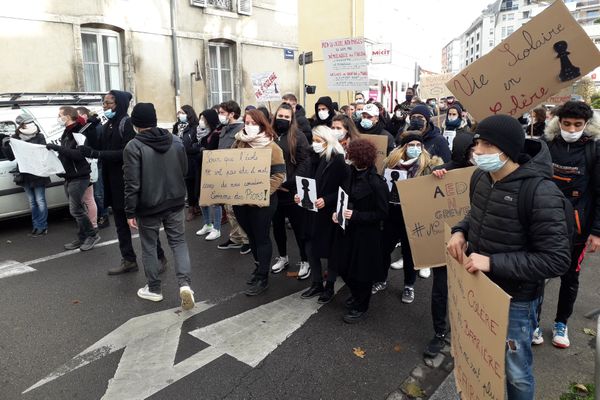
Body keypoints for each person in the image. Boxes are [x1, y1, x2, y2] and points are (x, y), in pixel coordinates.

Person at [448, 114, 571, 399]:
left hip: (517, 301)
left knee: (516, 372)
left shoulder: (540, 192)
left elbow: (556, 260)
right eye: (477, 142)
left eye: (488, 145)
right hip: (480, 289)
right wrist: (460, 231)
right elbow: (476, 214)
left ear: (509, 149)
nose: (478, 151)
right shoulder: (480, 176)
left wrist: (493, 263)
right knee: (481, 360)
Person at [79, 90, 168, 275]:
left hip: (128, 182)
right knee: (120, 224)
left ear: (118, 104)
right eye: (103, 103)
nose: (105, 107)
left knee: (143, 222)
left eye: (109, 103)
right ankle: (128, 260)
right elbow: (98, 146)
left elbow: (126, 152)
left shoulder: (126, 123)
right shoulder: (107, 124)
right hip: (112, 182)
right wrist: (90, 128)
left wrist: (97, 154)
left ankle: (159, 257)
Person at [537, 101, 600, 348]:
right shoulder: (546, 145)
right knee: (536, 274)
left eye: (577, 125)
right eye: (566, 124)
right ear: (558, 122)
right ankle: (533, 322)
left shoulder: (594, 150)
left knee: (570, 277)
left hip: (578, 227)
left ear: (586, 125)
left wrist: (596, 232)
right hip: (544, 222)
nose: (571, 129)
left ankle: (561, 323)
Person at [122, 103, 195, 310]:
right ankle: (185, 285)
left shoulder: (133, 146)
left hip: (149, 205)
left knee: (149, 246)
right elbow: (184, 170)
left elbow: (132, 183)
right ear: (154, 120)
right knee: (179, 243)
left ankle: (154, 288)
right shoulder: (176, 140)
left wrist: (130, 210)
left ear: (135, 124)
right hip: (175, 201)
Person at [374, 132, 443, 302]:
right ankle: (380, 279)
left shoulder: (428, 165)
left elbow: (435, 187)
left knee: (409, 251)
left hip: (413, 215)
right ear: (403, 147)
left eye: (418, 145)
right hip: (391, 213)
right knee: (383, 248)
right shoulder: (390, 163)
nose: (414, 148)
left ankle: (408, 286)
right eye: (411, 145)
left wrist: (438, 174)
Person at [424, 131, 475, 358]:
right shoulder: (447, 170)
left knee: (471, 291)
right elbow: (425, 193)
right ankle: (439, 332)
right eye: (473, 150)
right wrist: (436, 174)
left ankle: (469, 332)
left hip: (476, 244)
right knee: (440, 289)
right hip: (445, 240)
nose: (478, 154)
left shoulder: (489, 174)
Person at [329, 139, 389, 323]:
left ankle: (361, 305)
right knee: (344, 268)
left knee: (361, 273)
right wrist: (337, 213)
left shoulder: (376, 182)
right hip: (346, 231)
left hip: (365, 235)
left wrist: (355, 215)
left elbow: (382, 213)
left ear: (359, 158)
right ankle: (356, 295)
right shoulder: (350, 175)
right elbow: (342, 198)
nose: (348, 158)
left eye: (351, 155)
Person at [232, 109, 286, 296]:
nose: (249, 126)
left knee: (261, 236)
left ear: (262, 125)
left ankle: (263, 276)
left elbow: (279, 175)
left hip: (263, 203)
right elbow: (229, 167)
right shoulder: (238, 143)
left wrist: (261, 193)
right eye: (247, 122)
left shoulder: (273, 148)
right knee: (251, 236)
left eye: (254, 123)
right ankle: (258, 266)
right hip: (240, 200)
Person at [296, 125, 349, 303]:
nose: (315, 144)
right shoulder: (312, 158)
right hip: (311, 211)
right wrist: (300, 195)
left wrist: (327, 200)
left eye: (319, 141)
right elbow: (304, 180)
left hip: (329, 213)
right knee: (310, 248)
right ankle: (316, 283)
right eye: (314, 140)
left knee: (332, 251)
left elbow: (345, 189)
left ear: (328, 142)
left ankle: (330, 286)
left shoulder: (338, 161)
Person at [46, 106, 100, 251]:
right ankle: (82, 237)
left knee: (75, 210)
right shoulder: (66, 132)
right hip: (69, 176)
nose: (58, 117)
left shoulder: (79, 131)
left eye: (60, 115)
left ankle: (92, 235)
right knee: (78, 209)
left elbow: (79, 154)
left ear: (68, 116)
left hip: (80, 176)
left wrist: (57, 148)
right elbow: (66, 154)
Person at [270, 103, 311, 278]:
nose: (283, 119)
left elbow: (305, 162)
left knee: (299, 227)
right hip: (273, 190)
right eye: (280, 116)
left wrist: (291, 181)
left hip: (292, 191)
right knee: (277, 226)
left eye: (287, 117)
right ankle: (282, 257)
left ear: (292, 119)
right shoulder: (268, 135)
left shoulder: (298, 136)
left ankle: (305, 260)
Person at [3, 113, 51, 236]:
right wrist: (6, 145)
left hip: (38, 172)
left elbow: (43, 152)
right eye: (28, 122)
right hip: (25, 173)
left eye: (31, 122)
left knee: (40, 200)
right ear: (22, 125)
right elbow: (11, 157)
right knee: (32, 201)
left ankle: (42, 226)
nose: (31, 125)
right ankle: (36, 225)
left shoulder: (39, 136)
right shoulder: (15, 137)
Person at [215, 100, 251, 254]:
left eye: (222, 113)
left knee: (238, 210)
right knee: (229, 210)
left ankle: (247, 240)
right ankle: (235, 237)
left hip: (236, 175)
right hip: (224, 175)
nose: (220, 115)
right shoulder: (224, 129)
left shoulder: (242, 130)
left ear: (231, 114)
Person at [77, 106, 110, 229]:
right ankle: (95, 216)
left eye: (80, 115)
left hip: (97, 163)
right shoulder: (83, 129)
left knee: (98, 193)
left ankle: (104, 216)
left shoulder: (97, 128)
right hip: (88, 164)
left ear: (86, 115)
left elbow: (99, 145)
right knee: (91, 195)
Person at [195, 108, 223, 241]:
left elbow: (210, 151)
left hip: (213, 171)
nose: (201, 122)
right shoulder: (204, 134)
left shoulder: (217, 133)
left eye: (204, 119)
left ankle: (217, 228)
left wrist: (200, 150)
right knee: (202, 198)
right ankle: (207, 223)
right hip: (201, 169)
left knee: (215, 200)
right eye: (201, 119)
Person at [172, 105, 201, 222]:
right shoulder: (176, 126)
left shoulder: (195, 127)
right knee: (187, 183)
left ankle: (193, 208)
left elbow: (196, 144)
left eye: (182, 112)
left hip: (192, 159)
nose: (180, 115)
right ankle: (193, 206)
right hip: (179, 158)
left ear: (188, 114)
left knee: (193, 184)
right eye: (179, 113)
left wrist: (187, 149)